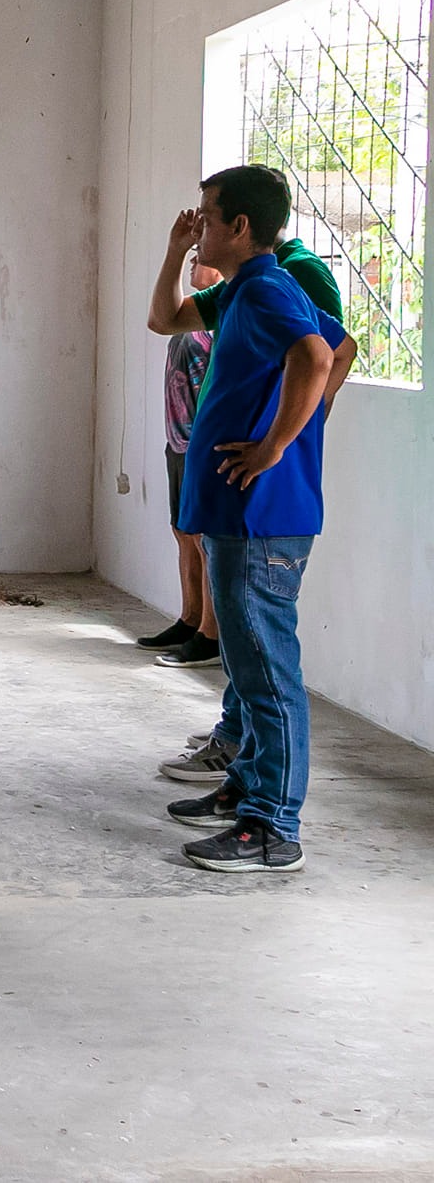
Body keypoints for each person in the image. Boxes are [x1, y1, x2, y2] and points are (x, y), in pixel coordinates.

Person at [150, 167, 356, 872]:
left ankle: (273, 826)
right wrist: (174, 251)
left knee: (267, 673)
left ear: (240, 227)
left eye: (206, 217)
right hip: (238, 513)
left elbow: (321, 355)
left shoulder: (270, 287)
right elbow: (165, 319)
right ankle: (248, 786)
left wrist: (276, 445)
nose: (199, 226)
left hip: (263, 518)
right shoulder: (242, 290)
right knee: (245, 666)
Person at [135, 253, 222, 670]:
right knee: (183, 532)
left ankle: (210, 633)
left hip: (200, 446)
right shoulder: (189, 316)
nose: (193, 263)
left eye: (199, 259)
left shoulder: (217, 321)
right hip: (178, 444)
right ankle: (189, 619)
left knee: (203, 539)